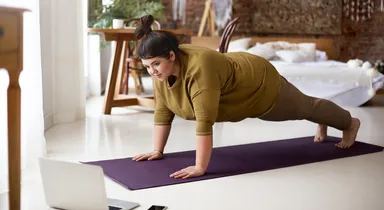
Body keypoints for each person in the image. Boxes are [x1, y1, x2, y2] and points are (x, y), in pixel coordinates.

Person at [131, 15, 361, 180]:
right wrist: (157, 150)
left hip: (259, 84)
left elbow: (204, 121)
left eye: (155, 64)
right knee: (307, 107)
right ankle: (322, 117)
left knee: (304, 107)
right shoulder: (162, 71)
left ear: (171, 55)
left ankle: (348, 122)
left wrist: (200, 167)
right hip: (240, 84)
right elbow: (163, 110)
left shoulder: (200, 68)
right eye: (147, 67)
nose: (152, 71)